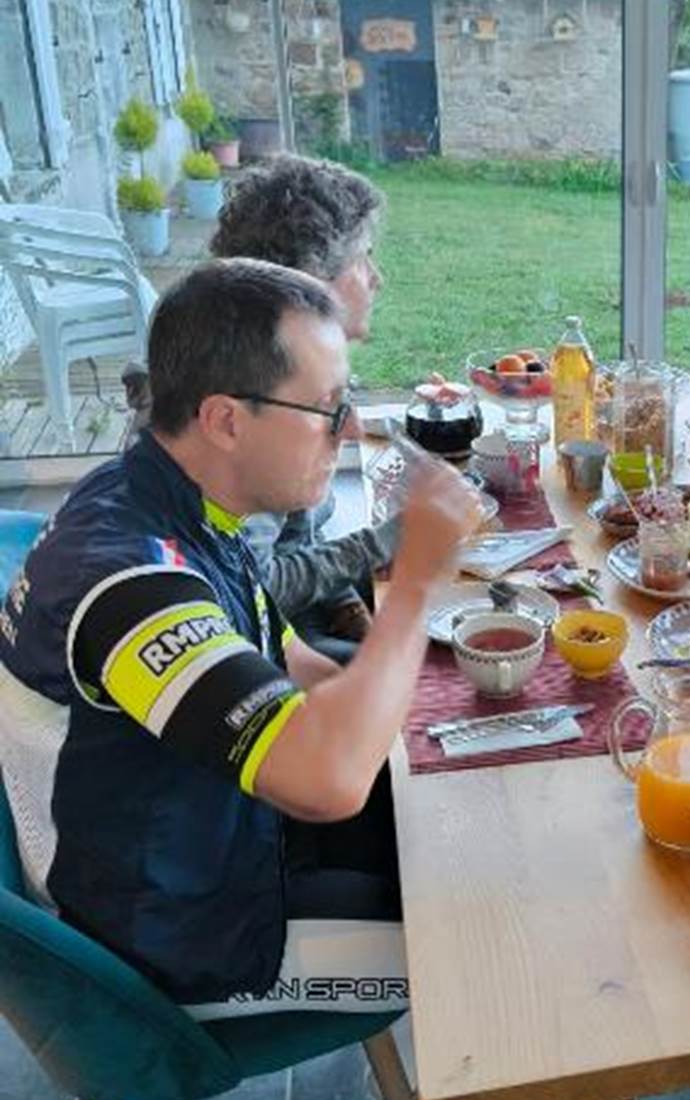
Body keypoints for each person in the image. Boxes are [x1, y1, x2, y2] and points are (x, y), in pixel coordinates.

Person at [0, 259, 483, 1019]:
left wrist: (438, 714)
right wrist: (416, 583)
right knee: (485, 941)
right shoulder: (130, 585)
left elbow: (297, 662)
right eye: (327, 408)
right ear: (225, 420)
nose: (348, 429)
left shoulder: (177, 500)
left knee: (465, 827)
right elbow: (327, 781)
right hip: (170, 938)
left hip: (214, 830)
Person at [210, 154, 390, 663]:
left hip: (299, 613)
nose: (376, 279)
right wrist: (386, 542)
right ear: (313, 280)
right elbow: (252, 586)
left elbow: (296, 534)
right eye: (364, 259)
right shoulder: (256, 402)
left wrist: (347, 604)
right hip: (257, 644)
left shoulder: (290, 365)